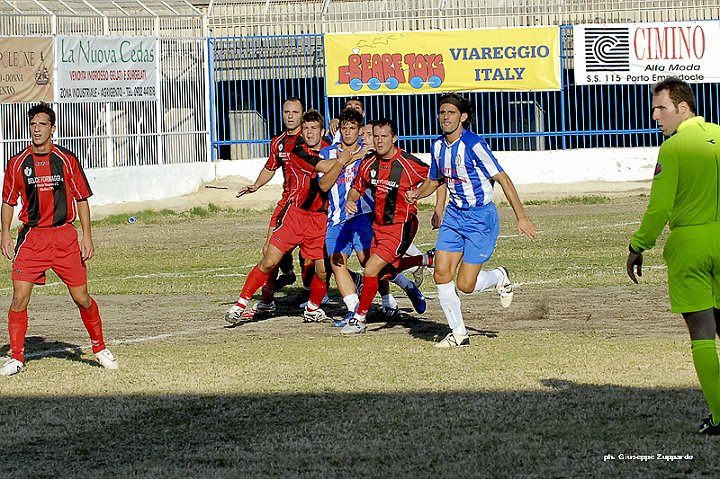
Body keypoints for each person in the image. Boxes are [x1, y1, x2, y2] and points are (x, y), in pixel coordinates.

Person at [626, 77, 720, 435]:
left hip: (691, 245)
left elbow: (659, 207)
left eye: (661, 108)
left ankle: (719, 416)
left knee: (701, 333)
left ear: (683, 107)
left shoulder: (674, 148)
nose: (655, 116)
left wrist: (638, 246)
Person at [407, 92, 536, 348]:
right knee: (442, 274)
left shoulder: (474, 145)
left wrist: (521, 217)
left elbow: (503, 179)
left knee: (466, 285)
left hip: (480, 218)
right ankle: (458, 333)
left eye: (451, 113)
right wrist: (418, 194)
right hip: (455, 215)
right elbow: (435, 180)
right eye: (442, 112)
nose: (445, 117)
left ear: (463, 117)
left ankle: (499, 277)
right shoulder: (437, 146)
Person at [0, 103, 119, 376]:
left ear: (53, 129)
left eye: (42, 124)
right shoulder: (17, 163)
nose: (36, 129)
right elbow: (8, 201)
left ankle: (99, 347)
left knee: (82, 297)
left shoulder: (66, 159)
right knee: (19, 297)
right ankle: (17, 357)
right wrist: (5, 232)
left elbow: (82, 198)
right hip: (32, 238)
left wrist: (87, 236)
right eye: (33, 125)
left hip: (65, 237)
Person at [225, 109, 341, 325]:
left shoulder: (331, 150)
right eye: (305, 128)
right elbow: (324, 166)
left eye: (313, 128)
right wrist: (347, 158)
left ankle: (313, 308)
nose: (309, 132)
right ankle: (241, 304)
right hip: (295, 214)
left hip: (320, 218)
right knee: (269, 258)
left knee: (323, 270)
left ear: (322, 131)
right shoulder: (297, 150)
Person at [319, 111, 427, 328]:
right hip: (339, 219)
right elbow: (328, 185)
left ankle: (371, 310)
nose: (348, 132)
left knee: (371, 268)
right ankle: (354, 312)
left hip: (371, 219)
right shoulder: (330, 153)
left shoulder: (368, 153)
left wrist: (429, 202)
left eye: (353, 128)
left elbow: (434, 178)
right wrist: (345, 176)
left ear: (360, 131)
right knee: (337, 263)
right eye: (344, 127)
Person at [234, 97, 305, 319]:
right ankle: (267, 300)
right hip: (286, 204)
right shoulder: (278, 142)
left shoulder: (311, 138)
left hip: (310, 207)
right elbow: (270, 167)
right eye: (287, 112)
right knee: (269, 250)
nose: (290, 116)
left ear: (302, 114)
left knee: (314, 257)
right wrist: (256, 185)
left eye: (295, 112)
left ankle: (314, 295)